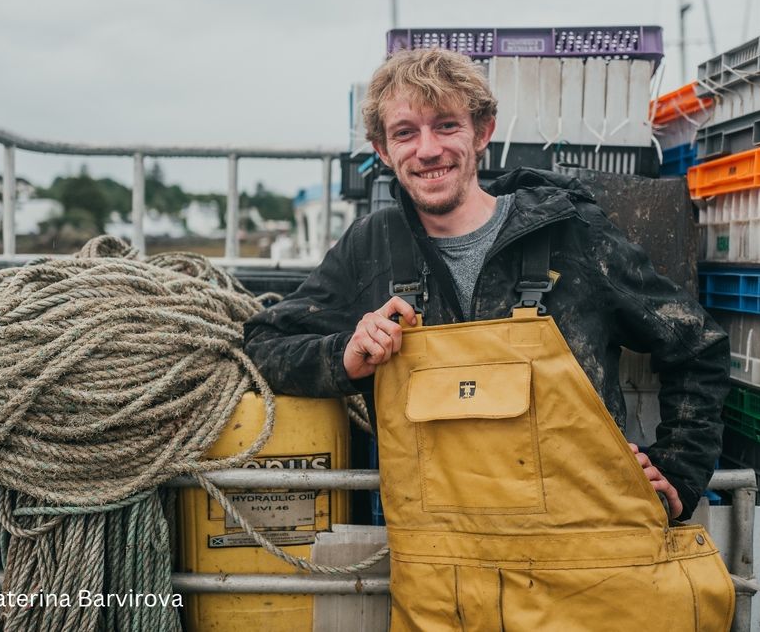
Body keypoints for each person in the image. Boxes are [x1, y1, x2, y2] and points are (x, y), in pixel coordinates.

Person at [244, 48, 734, 630]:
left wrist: (679, 470)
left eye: (446, 125)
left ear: (482, 132)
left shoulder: (570, 235)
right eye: (405, 132)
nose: (428, 149)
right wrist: (342, 356)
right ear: (382, 150)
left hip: (591, 582)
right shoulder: (370, 248)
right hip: (443, 591)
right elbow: (264, 344)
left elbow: (696, 345)